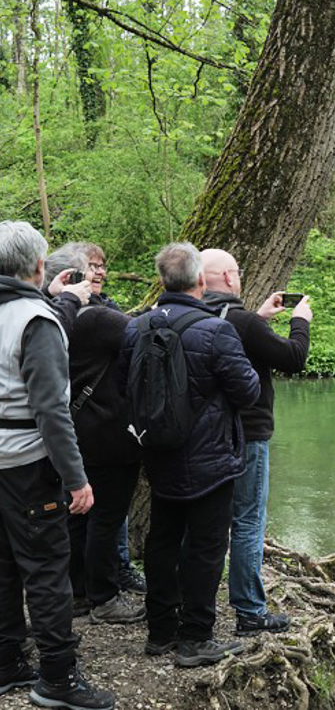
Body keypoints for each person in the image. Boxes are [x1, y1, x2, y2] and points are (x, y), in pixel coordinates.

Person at [120, 243, 260, 668]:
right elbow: (248, 391)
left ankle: (160, 632)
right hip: (210, 459)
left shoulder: (136, 327)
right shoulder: (217, 331)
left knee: (162, 540)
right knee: (205, 547)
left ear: (162, 280)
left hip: (158, 451)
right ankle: (196, 638)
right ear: (200, 280)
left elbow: (127, 386)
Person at [0, 220, 114, 710]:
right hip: (29, 463)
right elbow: (51, 410)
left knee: (3, 566)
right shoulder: (36, 320)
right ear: (38, 265)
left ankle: (6, 662)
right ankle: (58, 678)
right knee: (47, 570)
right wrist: (76, 478)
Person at [200, 249, 311, 636]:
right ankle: (249, 611)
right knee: (247, 520)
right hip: (248, 433)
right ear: (229, 278)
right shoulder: (243, 322)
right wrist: (300, 322)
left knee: (204, 521)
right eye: (238, 271)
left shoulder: (197, 316)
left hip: (203, 436)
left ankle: (191, 606)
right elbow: (294, 358)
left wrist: (260, 319)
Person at [41, 254, 145, 626]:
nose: (99, 272)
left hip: (72, 431)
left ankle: (79, 592)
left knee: (78, 515)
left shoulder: (49, 317)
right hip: (108, 434)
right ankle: (104, 598)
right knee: (106, 517)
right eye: (92, 268)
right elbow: (148, 334)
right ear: (71, 277)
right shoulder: (98, 318)